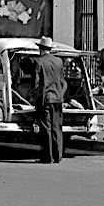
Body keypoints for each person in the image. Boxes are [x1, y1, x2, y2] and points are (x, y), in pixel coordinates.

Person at [33, 36, 66, 164]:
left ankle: (48, 157)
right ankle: (58, 156)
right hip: (58, 99)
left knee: (46, 128)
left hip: (46, 99)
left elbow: (36, 85)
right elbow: (62, 81)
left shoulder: (39, 62)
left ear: (41, 49)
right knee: (57, 127)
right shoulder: (59, 61)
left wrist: (35, 100)